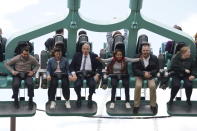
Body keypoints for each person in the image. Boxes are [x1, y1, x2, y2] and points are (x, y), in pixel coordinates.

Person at [69, 43, 102, 108]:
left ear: (89, 50)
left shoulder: (94, 56)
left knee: (92, 84)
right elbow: (71, 66)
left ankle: (90, 97)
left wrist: (97, 74)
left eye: (87, 49)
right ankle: (79, 97)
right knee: (77, 84)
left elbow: (100, 66)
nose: (85, 50)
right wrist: (73, 74)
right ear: (81, 49)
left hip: (90, 74)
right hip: (79, 74)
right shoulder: (77, 55)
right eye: (84, 49)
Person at [132, 42, 159, 114]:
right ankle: (136, 105)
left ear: (149, 50)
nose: (145, 52)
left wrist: (150, 73)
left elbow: (156, 69)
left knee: (153, 86)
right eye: (144, 50)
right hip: (140, 75)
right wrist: (143, 73)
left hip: (150, 76)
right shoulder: (137, 57)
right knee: (138, 86)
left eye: (147, 50)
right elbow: (135, 69)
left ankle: (153, 105)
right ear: (141, 50)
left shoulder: (154, 58)